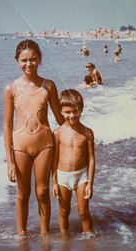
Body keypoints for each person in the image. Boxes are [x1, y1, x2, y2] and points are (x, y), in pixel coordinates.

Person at [4, 39, 64, 238]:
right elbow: (7, 126)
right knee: (22, 193)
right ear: (16, 61)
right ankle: (21, 235)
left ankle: (44, 235)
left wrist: (77, 127)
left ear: (40, 60)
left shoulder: (48, 85)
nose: (28, 64)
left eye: (33, 59)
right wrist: (10, 162)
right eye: (24, 60)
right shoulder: (11, 89)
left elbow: (59, 119)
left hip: (45, 145)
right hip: (20, 146)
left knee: (42, 191)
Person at [52, 89, 95, 237]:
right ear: (61, 112)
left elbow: (91, 159)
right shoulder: (57, 133)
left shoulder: (87, 132)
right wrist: (54, 182)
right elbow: (54, 159)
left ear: (81, 109)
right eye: (67, 112)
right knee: (64, 211)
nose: (72, 115)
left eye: (76, 111)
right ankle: (65, 239)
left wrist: (90, 183)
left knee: (83, 212)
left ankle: (90, 238)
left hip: (82, 176)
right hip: (62, 177)